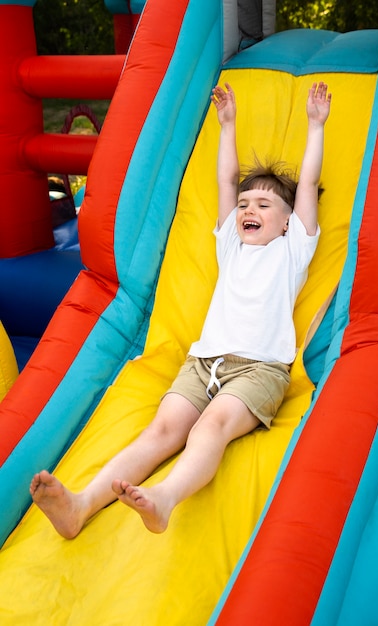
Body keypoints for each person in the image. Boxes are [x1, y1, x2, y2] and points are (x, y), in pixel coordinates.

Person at [30, 81, 332, 537]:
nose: (249, 208)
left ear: (289, 221)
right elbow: (225, 181)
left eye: (264, 204)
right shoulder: (231, 244)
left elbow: (307, 183)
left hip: (259, 371)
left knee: (208, 428)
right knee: (160, 432)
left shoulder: (293, 250)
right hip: (201, 363)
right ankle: (79, 506)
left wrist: (316, 126)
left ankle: (165, 499)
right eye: (246, 204)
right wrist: (226, 124)